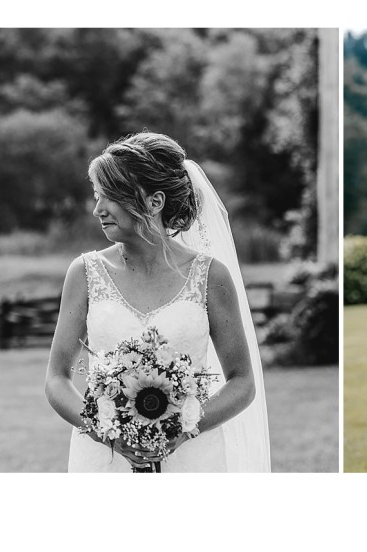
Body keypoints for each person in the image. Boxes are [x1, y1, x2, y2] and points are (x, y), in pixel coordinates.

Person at [45, 132, 271, 472]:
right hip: (104, 462)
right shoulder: (85, 272)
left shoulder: (211, 276)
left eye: (111, 196)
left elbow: (242, 382)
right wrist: (105, 432)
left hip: (193, 460)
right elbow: (56, 378)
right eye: (97, 195)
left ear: (155, 201)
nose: (97, 209)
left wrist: (183, 429)